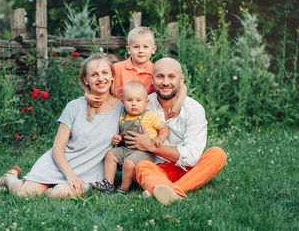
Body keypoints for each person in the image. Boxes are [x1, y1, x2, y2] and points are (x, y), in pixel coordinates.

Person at [0, 53, 122, 198]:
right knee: (24, 194)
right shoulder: (75, 106)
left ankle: (40, 188)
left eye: (105, 72)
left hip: (90, 170)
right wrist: (71, 176)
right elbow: (57, 148)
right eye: (94, 75)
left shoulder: (123, 107)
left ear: (112, 76)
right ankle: (9, 178)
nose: (100, 78)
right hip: (60, 164)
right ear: (85, 80)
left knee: (59, 193)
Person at [125, 57, 227, 206]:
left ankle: (169, 190)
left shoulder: (193, 109)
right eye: (160, 76)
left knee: (218, 154)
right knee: (141, 167)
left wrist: (152, 146)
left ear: (181, 79)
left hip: (187, 169)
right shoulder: (142, 104)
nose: (166, 82)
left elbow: (192, 157)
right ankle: (173, 190)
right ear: (152, 79)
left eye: (172, 76)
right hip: (156, 168)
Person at [86, 26, 186, 118]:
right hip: (117, 114)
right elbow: (100, 83)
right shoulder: (117, 68)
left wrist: (178, 103)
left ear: (153, 49)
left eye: (145, 47)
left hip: (147, 116)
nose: (141, 51)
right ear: (129, 49)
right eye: (136, 47)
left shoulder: (156, 71)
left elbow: (181, 85)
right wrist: (87, 95)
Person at [91, 81, 169, 194]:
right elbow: (125, 133)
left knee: (128, 162)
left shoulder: (149, 116)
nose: (133, 104)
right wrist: (120, 138)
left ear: (146, 102)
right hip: (127, 149)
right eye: (129, 100)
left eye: (138, 100)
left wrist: (159, 139)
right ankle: (108, 183)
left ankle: (124, 188)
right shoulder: (123, 116)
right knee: (110, 154)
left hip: (145, 152)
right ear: (123, 102)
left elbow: (164, 128)